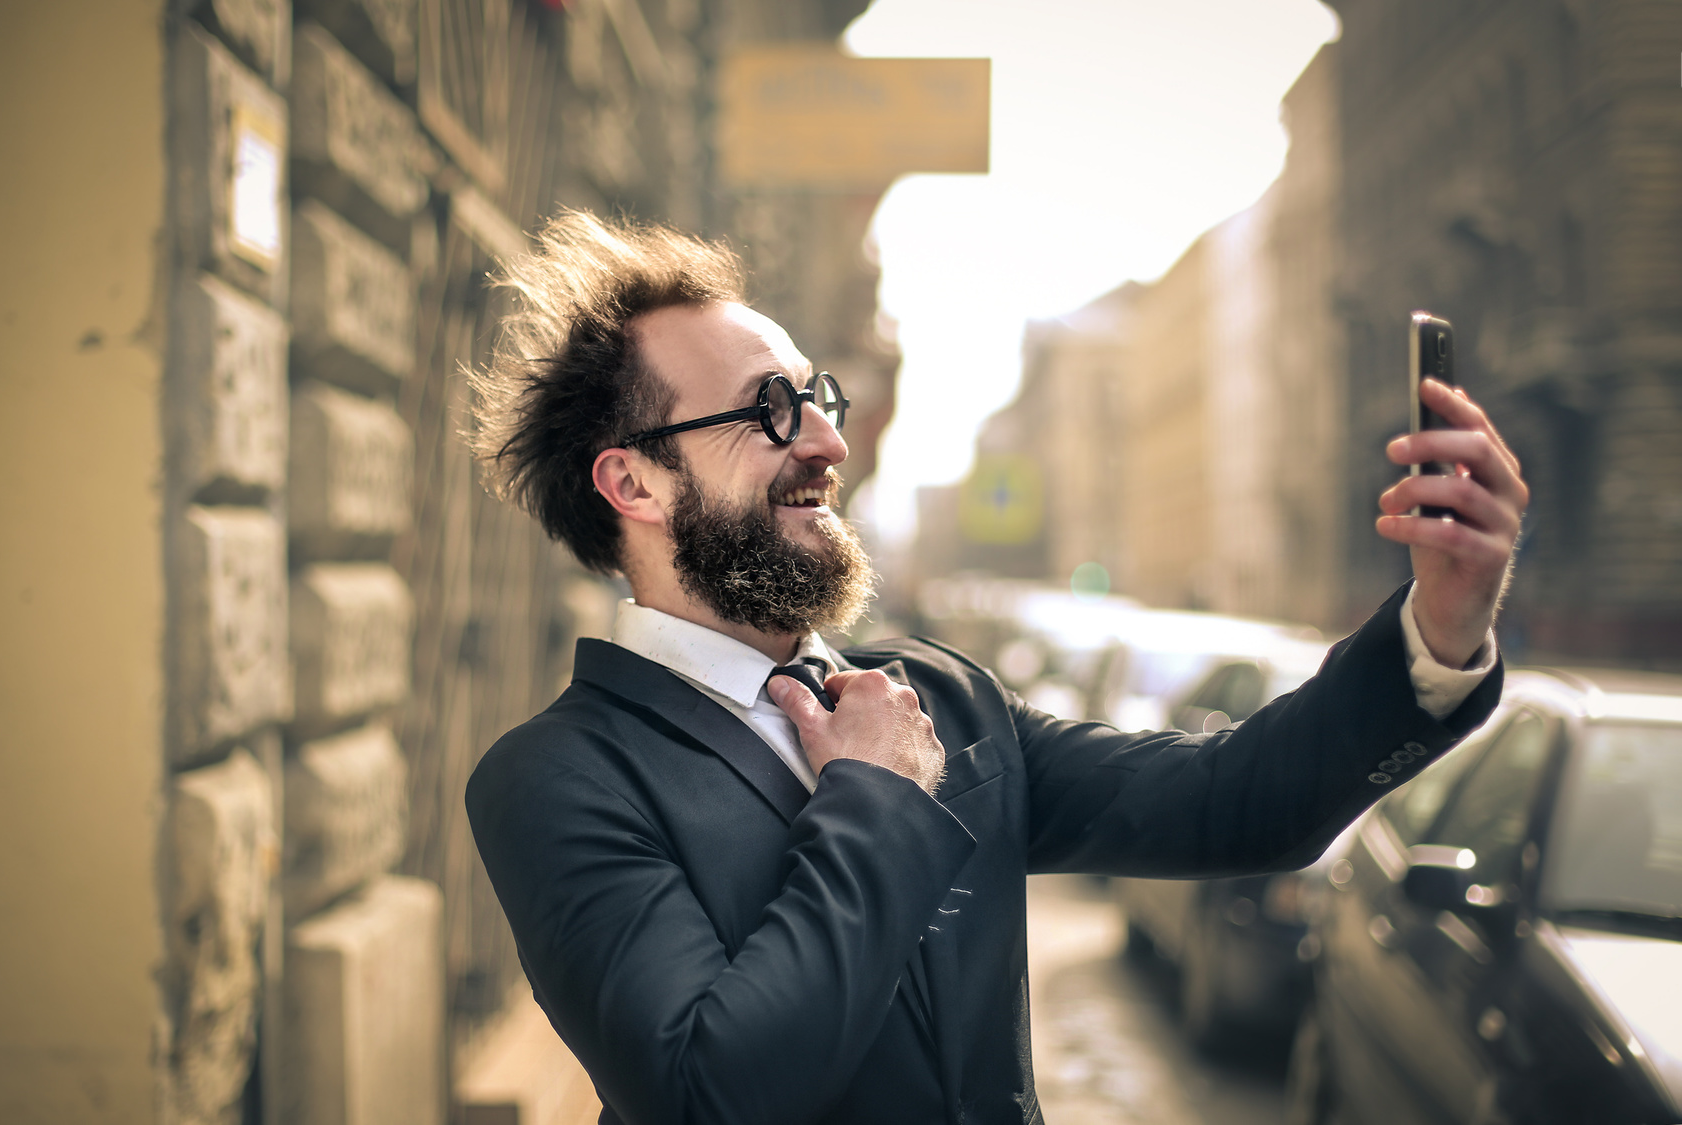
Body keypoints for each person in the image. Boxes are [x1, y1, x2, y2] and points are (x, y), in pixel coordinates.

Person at [464, 212, 1526, 1125]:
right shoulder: (557, 779)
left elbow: (1233, 803)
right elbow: (717, 1089)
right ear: (634, 484)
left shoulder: (942, 696)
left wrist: (1434, 629)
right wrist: (873, 792)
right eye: (770, 412)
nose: (829, 444)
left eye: (818, 399)